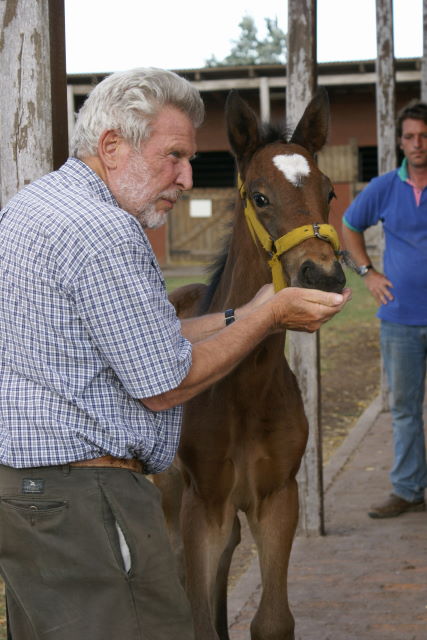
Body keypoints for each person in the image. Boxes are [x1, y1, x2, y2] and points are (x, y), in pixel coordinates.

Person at [0, 67, 350, 640]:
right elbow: (163, 381)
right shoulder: (103, 231)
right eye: (175, 156)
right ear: (112, 145)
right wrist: (266, 316)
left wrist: (241, 313)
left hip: (28, 494)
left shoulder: (35, 206)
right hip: (82, 499)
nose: (188, 176)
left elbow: (140, 335)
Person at [342, 99, 427, 519]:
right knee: (406, 409)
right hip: (400, 320)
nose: (417, 143)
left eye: (424, 136)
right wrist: (368, 273)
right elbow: (350, 225)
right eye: (410, 136)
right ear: (400, 141)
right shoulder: (384, 188)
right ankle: (409, 489)